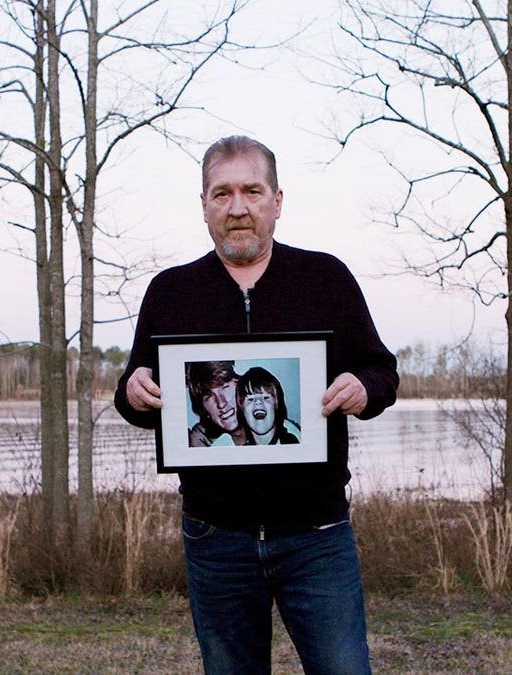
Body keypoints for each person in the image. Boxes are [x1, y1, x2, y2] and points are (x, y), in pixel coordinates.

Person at [115, 134, 398, 674]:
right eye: (222, 194)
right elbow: (135, 391)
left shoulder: (326, 278)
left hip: (317, 537)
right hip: (215, 539)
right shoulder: (170, 292)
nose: (238, 207)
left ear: (277, 201)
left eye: (252, 191)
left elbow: (382, 372)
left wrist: (363, 389)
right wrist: (134, 390)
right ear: (204, 206)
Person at [186, 360, 246, 447]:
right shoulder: (199, 441)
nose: (221, 404)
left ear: (238, 385)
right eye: (209, 397)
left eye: (225, 388)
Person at [236, 366, 299, 445]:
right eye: (250, 399)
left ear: (276, 404)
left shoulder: (295, 441)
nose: (258, 402)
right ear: (241, 408)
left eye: (266, 398)